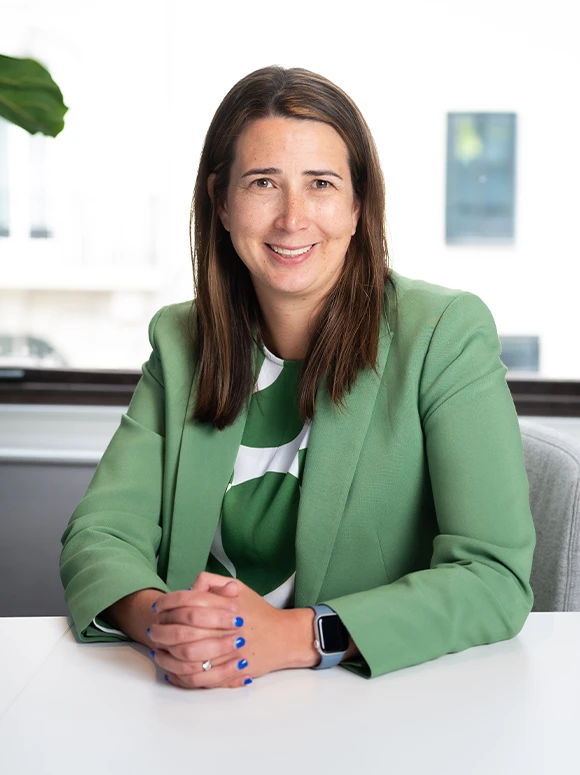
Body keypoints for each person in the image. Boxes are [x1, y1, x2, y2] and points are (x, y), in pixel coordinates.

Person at [60, 66, 536, 690]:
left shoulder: (443, 333)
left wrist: (294, 637)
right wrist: (167, 623)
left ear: (358, 204)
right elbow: (101, 533)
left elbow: (494, 575)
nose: (292, 218)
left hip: (378, 711)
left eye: (321, 184)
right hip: (198, 705)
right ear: (222, 203)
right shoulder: (181, 342)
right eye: (262, 183)